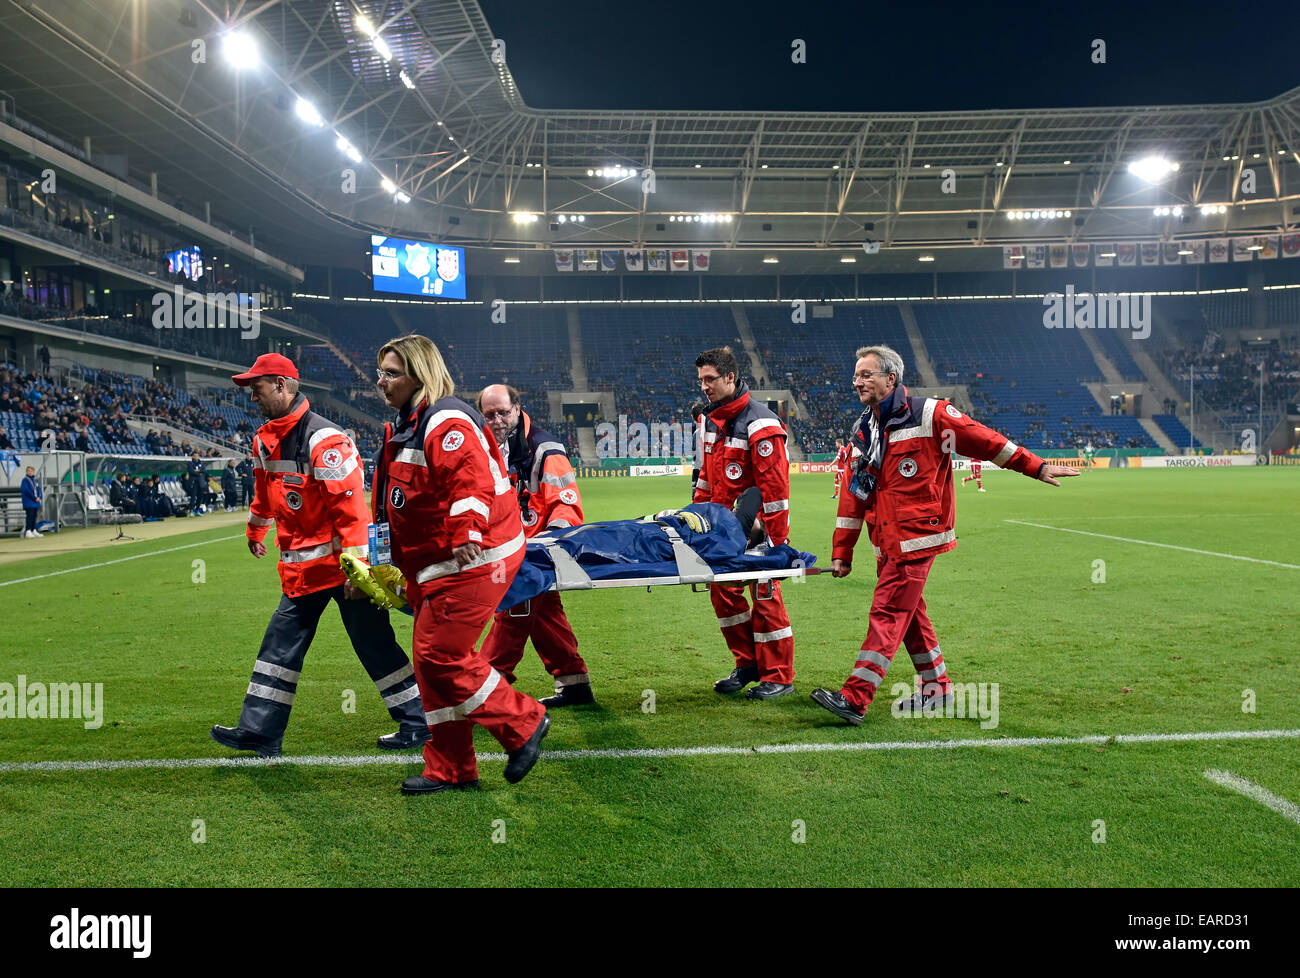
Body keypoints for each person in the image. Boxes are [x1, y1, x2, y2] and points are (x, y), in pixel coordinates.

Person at [810, 345, 1079, 725]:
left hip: (918, 537)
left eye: (866, 374)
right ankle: (937, 688)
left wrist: (1035, 466)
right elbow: (855, 494)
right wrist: (843, 551)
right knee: (910, 615)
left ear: (891, 378)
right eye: (856, 375)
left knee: (887, 612)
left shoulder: (931, 414)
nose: (857, 381)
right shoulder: (863, 429)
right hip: (885, 539)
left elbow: (984, 440)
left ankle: (855, 699)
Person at [210, 352, 429, 758]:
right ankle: (259, 731)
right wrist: (256, 530)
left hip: (341, 570)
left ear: (281, 385)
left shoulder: (324, 440)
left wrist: (358, 570)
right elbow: (264, 493)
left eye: (257, 388)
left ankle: (419, 722)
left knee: (374, 645)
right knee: (280, 646)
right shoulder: (263, 439)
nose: (251, 397)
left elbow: (350, 512)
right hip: (302, 573)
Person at [372, 335, 549, 794]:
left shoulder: (444, 419)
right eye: (382, 372)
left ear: (418, 374)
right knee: (432, 663)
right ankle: (452, 767)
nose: (381, 381)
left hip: (476, 555)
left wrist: (467, 529)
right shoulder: (410, 424)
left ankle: (524, 723)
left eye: (392, 373)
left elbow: (466, 477)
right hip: (442, 562)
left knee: (440, 656)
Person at [476, 384, 594, 708]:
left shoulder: (544, 449)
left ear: (517, 408)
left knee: (513, 612)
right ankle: (574, 683)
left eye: (503, 412)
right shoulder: (492, 447)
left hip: (537, 551)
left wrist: (549, 546)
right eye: (489, 414)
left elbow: (566, 504)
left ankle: (485, 689)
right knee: (546, 616)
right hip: (512, 547)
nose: (497, 419)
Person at [693, 346, 796, 699]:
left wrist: (775, 543)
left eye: (710, 380)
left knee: (766, 598)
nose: (704, 387)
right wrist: (697, 522)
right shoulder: (710, 420)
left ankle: (780, 676)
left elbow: (775, 490)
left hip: (759, 531)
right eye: (701, 381)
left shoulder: (761, 424)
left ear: (730, 378)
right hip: (722, 531)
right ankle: (747, 663)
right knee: (723, 595)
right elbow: (707, 479)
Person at [20, 466, 43, 538]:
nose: (30, 472)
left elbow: (39, 490)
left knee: (34, 516)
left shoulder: (35, 481)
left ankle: (33, 530)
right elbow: (26, 491)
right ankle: (28, 531)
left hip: (35, 502)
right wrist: (34, 497)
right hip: (29, 502)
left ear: (33, 472)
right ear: (26, 472)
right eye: (28, 471)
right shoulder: (25, 480)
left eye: (31, 471)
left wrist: (39, 497)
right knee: (29, 516)